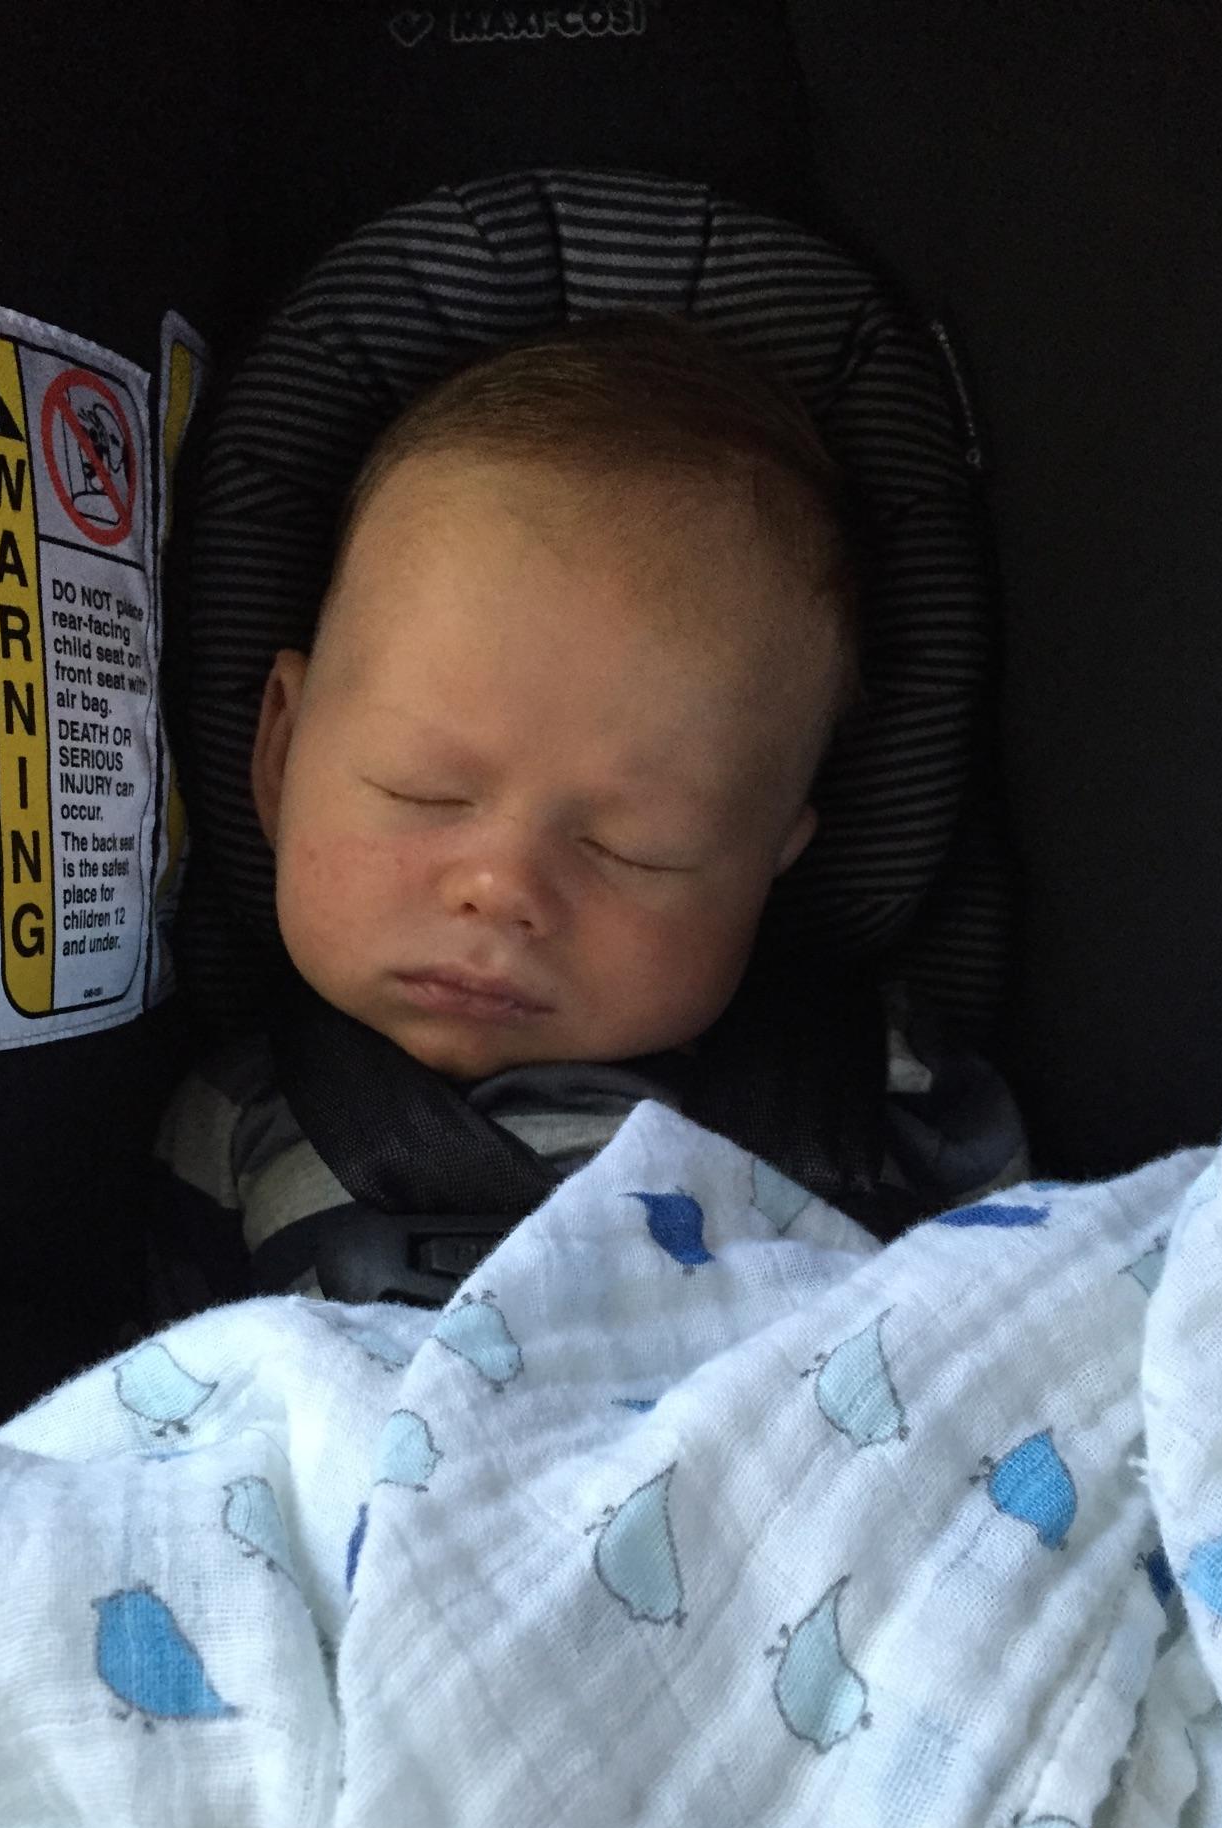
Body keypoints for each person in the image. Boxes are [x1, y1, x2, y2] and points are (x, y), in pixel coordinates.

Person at [151, 309, 1027, 1313]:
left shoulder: (887, 1087)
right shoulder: (234, 1122)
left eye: (636, 846)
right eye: (421, 789)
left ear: (767, 859)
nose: (503, 888)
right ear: (280, 754)